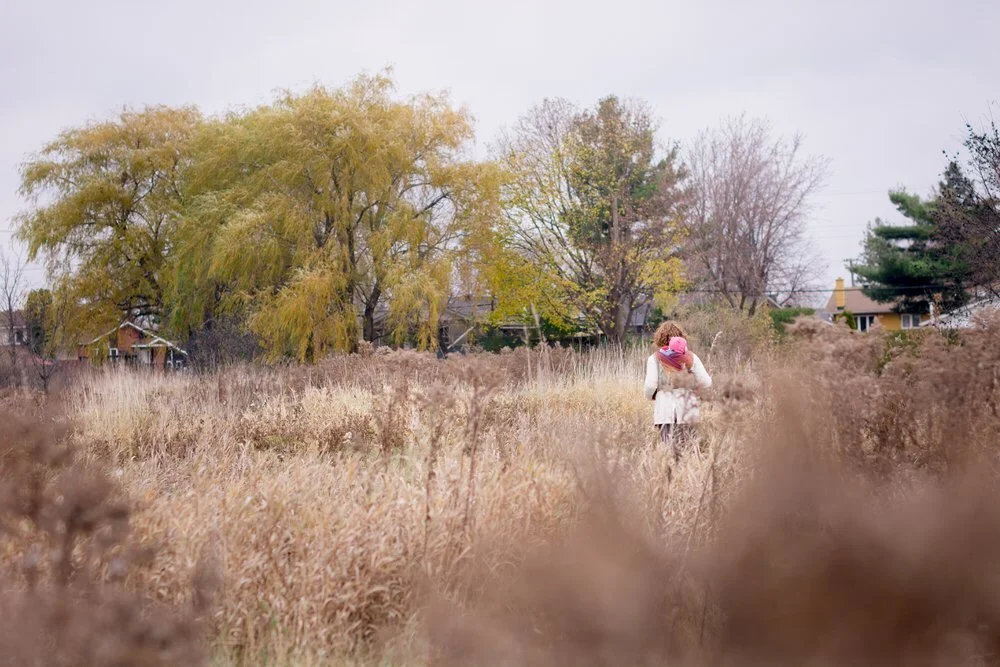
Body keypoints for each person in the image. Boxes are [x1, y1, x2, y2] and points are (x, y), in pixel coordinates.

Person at [643, 321, 712, 458]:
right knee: (689, 451)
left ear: (660, 338)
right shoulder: (690, 358)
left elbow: (650, 385)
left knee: (668, 453)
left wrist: (651, 396)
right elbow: (706, 382)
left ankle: (672, 478)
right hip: (687, 408)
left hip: (665, 410)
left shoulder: (655, 359)